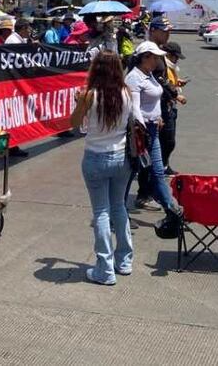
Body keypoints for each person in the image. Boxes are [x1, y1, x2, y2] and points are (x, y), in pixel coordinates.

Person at [70, 51, 135, 285]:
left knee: (101, 212)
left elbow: (74, 124)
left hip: (95, 157)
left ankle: (105, 269)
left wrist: (79, 103)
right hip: (121, 157)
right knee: (119, 207)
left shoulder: (89, 95)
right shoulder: (126, 93)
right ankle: (124, 261)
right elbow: (133, 122)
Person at [126, 41, 181, 221]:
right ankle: (119, 212)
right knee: (131, 171)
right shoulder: (134, 78)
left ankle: (172, 211)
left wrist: (157, 117)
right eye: (156, 57)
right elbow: (134, 108)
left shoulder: (149, 74)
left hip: (152, 129)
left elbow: (155, 99)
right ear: (146, 57)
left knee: (157, 171)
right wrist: (143, 130)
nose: (158, 60)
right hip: (140, 132)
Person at [159, 41, 188, 174]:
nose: (177, 60)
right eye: (175, 57)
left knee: (167, 140)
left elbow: (170, 83)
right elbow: (164, 86)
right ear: (169, 55)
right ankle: (161, 166)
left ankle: (164, 165)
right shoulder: (163, 67)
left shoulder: (171, 68)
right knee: (168, 141)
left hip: (171, 106)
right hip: (166, 105)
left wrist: (178, 83)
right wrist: (177, 96)